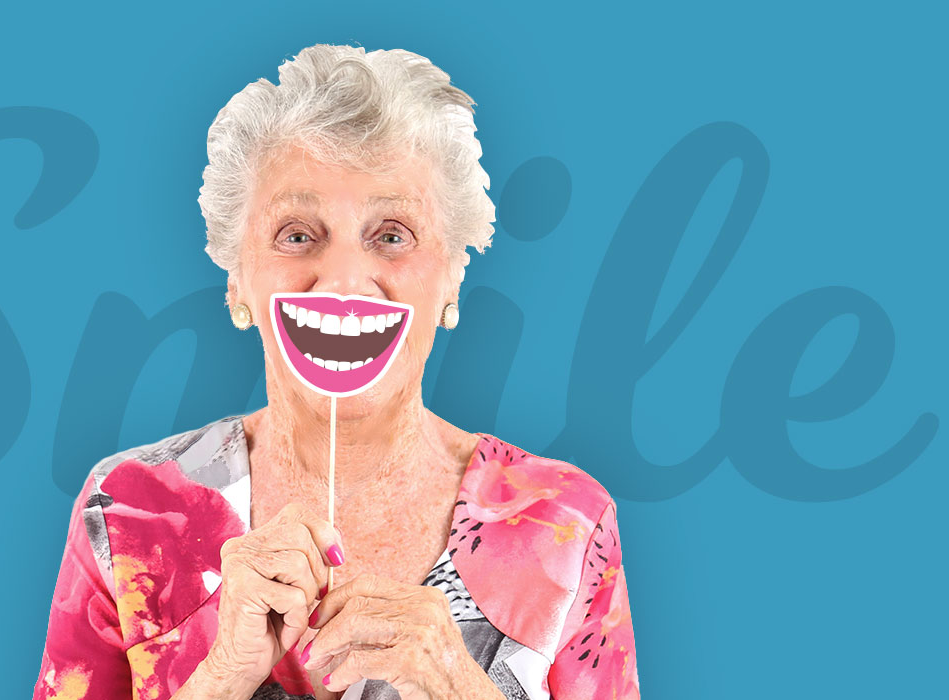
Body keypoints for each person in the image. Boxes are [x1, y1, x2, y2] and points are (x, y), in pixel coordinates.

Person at [33, 44, 640, 700]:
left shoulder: (568, 523)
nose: (347, 280)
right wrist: (223, 676)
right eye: (297, 235)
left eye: (392, 235)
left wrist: (463, 687)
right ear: (238, 281)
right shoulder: (126, 511)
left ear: (451, 282)